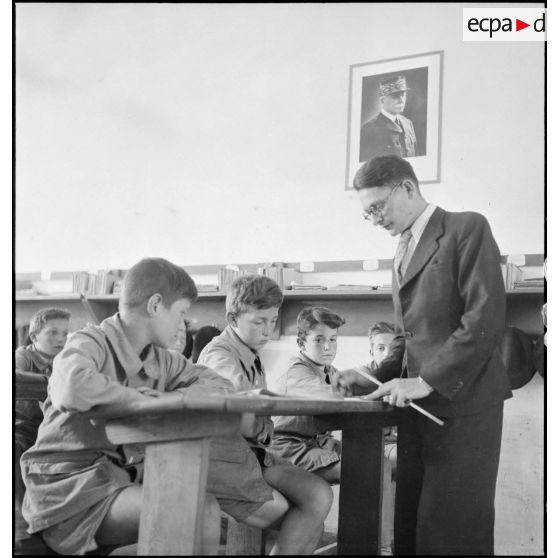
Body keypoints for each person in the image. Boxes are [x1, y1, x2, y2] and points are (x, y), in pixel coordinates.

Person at [21, 258, 262, 555]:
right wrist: (144, 400)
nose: (181, 324)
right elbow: (73, 386)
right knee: (190, 510)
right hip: (69, 488)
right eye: (181, 312)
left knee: (206, 506)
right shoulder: (89, 342)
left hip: (119, 477)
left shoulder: (161, 358)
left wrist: (178, 397)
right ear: (156, 305)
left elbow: (220, 384)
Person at [336, 155, 512, 555]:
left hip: (465, 407)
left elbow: (483, 320)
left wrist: (424, 381)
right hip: (418, 413)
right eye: (367, 214)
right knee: (413, 531)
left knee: (453, 530)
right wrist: (373, 373)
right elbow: (407, 335)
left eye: (378, 207)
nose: (375, 219)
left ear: (407, 188)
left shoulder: (466, 228)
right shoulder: (402, 250)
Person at [198, 275, 334, 554]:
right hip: (221, 460)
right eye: (259, 322)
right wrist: (260, 421)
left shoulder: (250, 351)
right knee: (309, 518)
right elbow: (235, 389)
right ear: (233, 318)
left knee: (318, 494)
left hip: (252, 455)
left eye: (272, 322)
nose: (268, 332)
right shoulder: (219, 352)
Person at [267, 306, 345, 484]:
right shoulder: (296, 371)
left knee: (375, 459)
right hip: (287, 448)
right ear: (301, 343)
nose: (328, 346)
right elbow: (331, 397)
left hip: (315, 444)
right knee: (361, 467)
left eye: (333, 339)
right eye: (319, 340)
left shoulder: (331, 371)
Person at [15, 308, 71, 547]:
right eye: (53, 332)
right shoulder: (24, 356)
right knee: (16, 448)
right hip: (25, 425)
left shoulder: (68, 357)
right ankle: (21, 521)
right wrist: (53, 384)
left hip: (54, 428)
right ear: (35, 336)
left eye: (65, 333)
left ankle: (65, 520)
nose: (61, 339)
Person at [360, 75, 417, 162]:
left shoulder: (408, 123)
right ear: (382, 100)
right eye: (395, 96)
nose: (401, 100)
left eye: (403, 95)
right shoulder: (368, 130)